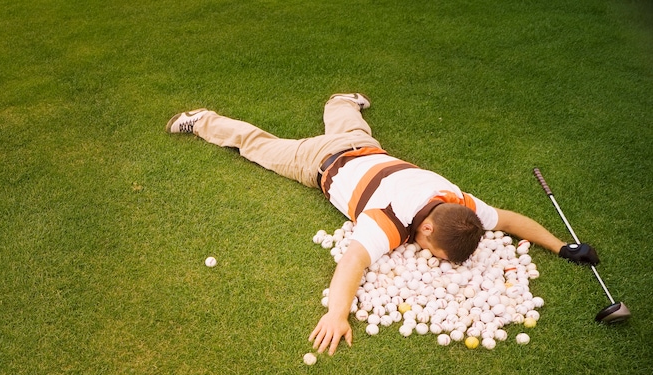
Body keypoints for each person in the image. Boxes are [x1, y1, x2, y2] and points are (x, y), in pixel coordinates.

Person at [166, 93, 600, 355]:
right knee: (257, 145)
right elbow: (352, 262)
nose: (428, 257)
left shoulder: (458, 203)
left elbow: (509, 221)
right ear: (425, 231)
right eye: (434, 254)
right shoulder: (389, 220)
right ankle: (201, 119)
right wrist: (337, 314)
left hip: (364, 148)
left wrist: (561, 247)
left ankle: (343, 98)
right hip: (316, 163)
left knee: (346, 118)